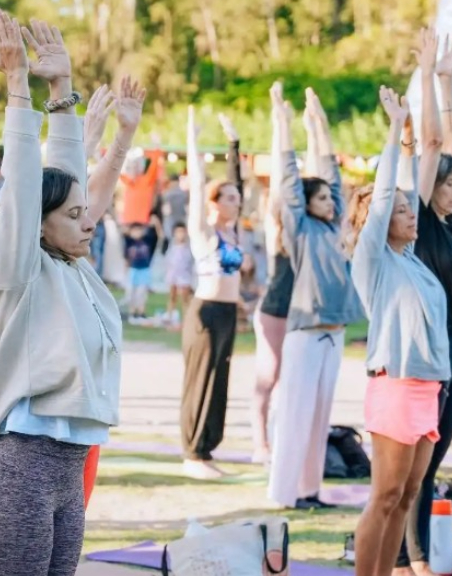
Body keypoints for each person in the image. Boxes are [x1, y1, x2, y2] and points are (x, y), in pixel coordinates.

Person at [0, 11, 144, 574]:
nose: (88, 221)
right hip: (22, 470)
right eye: (72, 216)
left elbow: (65, 177)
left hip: (68, 472)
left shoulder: (76, 271)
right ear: (37, 225)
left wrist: (63, 89)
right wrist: (18, 86)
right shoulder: (19, 271)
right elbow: (25, 184)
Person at [348, 86, 448, 576]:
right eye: (403, 211)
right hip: (395, 386)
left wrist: (410, 140)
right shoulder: (374, 261)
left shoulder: (413, 262)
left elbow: (403, 189)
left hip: (429, 387)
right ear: (380, 220)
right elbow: (387, 192)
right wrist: (394, 130)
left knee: (408, 495)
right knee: (385, 495)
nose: (412, 215)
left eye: (411, 209)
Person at [396, 29, 452, 576]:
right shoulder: (422, 219)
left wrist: (449, 80)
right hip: (435, 350)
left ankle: (410, 554)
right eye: (450, 185)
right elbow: (434, 145)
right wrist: (427, 76)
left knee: (435, 458)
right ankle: (412, 557)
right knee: (419, 464)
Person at [268, 84, 362, 510]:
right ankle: (283, 495)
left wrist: (320, 124)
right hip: (305, 335)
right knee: (296, 416)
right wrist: (284, 124)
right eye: (321, 198)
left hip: (334, 335)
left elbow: (333, 176)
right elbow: (289, 183)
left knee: (320, 419)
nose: (330, 201)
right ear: (307, 205)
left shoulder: (334, 227)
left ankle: (309, 491)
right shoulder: (301, 230)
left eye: (329, 197)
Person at [180, 106, 247, 480]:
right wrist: (193, 138)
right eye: (230, 198)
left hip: (228, 314)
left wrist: (233, 143)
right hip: (205, 313)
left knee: (219, 381)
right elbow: (199, 182)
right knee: (200, 380)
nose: (237, 202)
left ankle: (206, 450)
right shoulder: (204, 231)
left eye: (237, 198)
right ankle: (192, 453)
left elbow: (238, 183)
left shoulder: (235, 232)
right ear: (215, 202)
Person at [251, 106, 295, 465]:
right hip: (275, 310)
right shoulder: (276, 233)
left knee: (288, 382)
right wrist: (282, 125)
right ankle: (260, 443)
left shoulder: (307, 234)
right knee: (268, 377)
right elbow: (282, 178)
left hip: (299, 313)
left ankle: (282, 441)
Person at [163, 223, 195, 327]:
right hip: (173, 275)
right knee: (172, 297)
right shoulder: (171, 247)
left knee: (185, 298)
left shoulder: (189, 248)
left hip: (184, 275)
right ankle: (169, 316)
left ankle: (186, 319)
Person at [124, 223, 156, 321]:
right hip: (133, 269)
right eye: (135, 230)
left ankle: (141, 312)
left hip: (144, 270)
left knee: (142, 292)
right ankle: (132, 312)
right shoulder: (129, 241)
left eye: (139, 230)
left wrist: (152, 224)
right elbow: (123, 231)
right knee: (131, 292)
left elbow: (158, 236)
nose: (137, 233)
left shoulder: (147, 240)